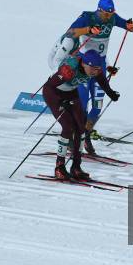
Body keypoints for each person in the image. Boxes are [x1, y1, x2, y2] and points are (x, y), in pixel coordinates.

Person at [68, 0, 133, 154]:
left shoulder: (112, 18)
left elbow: (129, 26)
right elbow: (70, 33)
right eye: (107, 13)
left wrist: (132, 26)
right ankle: (74, 137)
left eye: (112, 13)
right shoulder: (88, 17)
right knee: (83, 105)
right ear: (100, 10)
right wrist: (88, 30)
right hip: (84, 65)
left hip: (100, 66)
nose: (109, 16)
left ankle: (86, 135)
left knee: (97, 107)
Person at [42, 50, 120, 180]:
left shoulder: (95, 68)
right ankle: (59, 168)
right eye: (93, 69)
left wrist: (111, 93)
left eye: (98, 69)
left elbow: (102, 81)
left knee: (81, 128)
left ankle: (76, 167)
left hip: (71, 92)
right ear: (84, 64)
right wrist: (61, 102)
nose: (95, 72)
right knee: (68, 127)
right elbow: (51, 86)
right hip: (53, 93)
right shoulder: (70, 68)